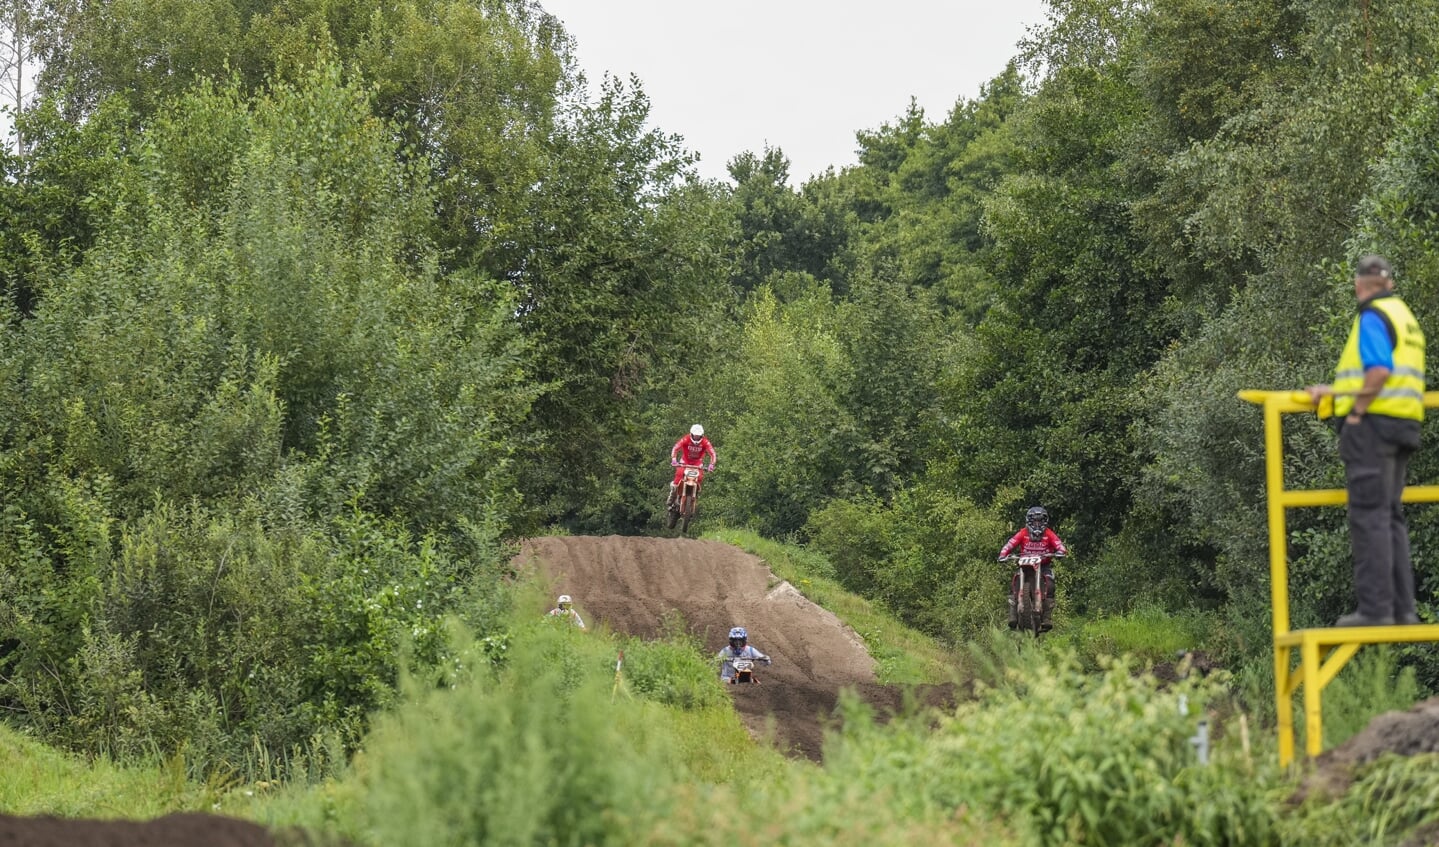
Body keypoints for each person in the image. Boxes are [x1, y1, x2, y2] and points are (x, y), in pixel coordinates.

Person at [1305, 254, 1425, 627]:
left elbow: (1377, 371)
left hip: (1373, 427)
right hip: (1403, 424)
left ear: (1359, 286)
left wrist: (1355, 410)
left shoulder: (1373, 315)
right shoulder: (1405, 317)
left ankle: (1374, 611)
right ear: (1390, 283)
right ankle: (1403, 611)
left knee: (1369, 516)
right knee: (1390, 517)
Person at [998, 505, 1069, 631]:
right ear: (1029, 521)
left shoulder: (1049, 534)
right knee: (1014, 583)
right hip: (1024, 565)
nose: (1037, 524)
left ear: (1044, 522)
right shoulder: (1023, 533)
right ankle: (1013, 615)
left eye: (1040, 521)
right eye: (1034, 521)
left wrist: (1061, 552)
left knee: (1051, 585)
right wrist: (1003, 554)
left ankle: (1047, 617)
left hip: (1043, 565)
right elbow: (1010, 544)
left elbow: (1060, 545)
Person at [668, 423, 717, 508]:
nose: (696, 437)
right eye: (695, 435)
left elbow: (712, 453)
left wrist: (712, 464)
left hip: (697, 462)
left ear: (701, 435)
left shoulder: (705, 442)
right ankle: (672, 495)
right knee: (679, 474)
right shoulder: (686, 439)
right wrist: (674, 459)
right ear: (691, 434)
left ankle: (694, 495)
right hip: (685, 461)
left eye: (698, 436)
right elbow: (676, 448)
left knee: (700, 477)